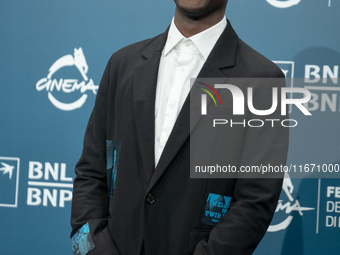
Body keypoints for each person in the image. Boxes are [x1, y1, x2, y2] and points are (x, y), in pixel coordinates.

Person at [71, 0, 289, 254]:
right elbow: (90, 173)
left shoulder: (261, 79)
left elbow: (255, 203)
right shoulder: (122, 65)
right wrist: (91, 250)